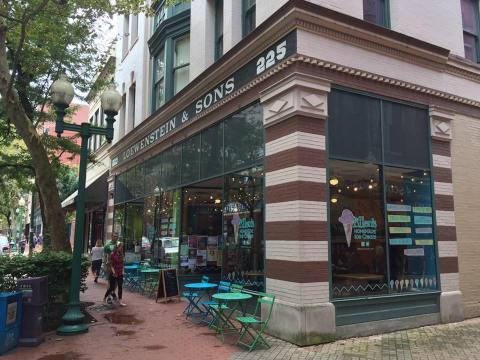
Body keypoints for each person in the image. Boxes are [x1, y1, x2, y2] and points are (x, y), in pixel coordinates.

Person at [104, 242, 126, 306]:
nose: (121, 248)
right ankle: (105, 297)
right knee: (111, 287)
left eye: (122, 247)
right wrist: (113, 272)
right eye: (120, 247)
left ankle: (120, 301)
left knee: (120, 286)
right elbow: (111, 265)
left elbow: (122, 263)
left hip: (120, 272)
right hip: (114, 273)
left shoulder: (121, 254)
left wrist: (123, 271)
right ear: (117, 247)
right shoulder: (112, 254)